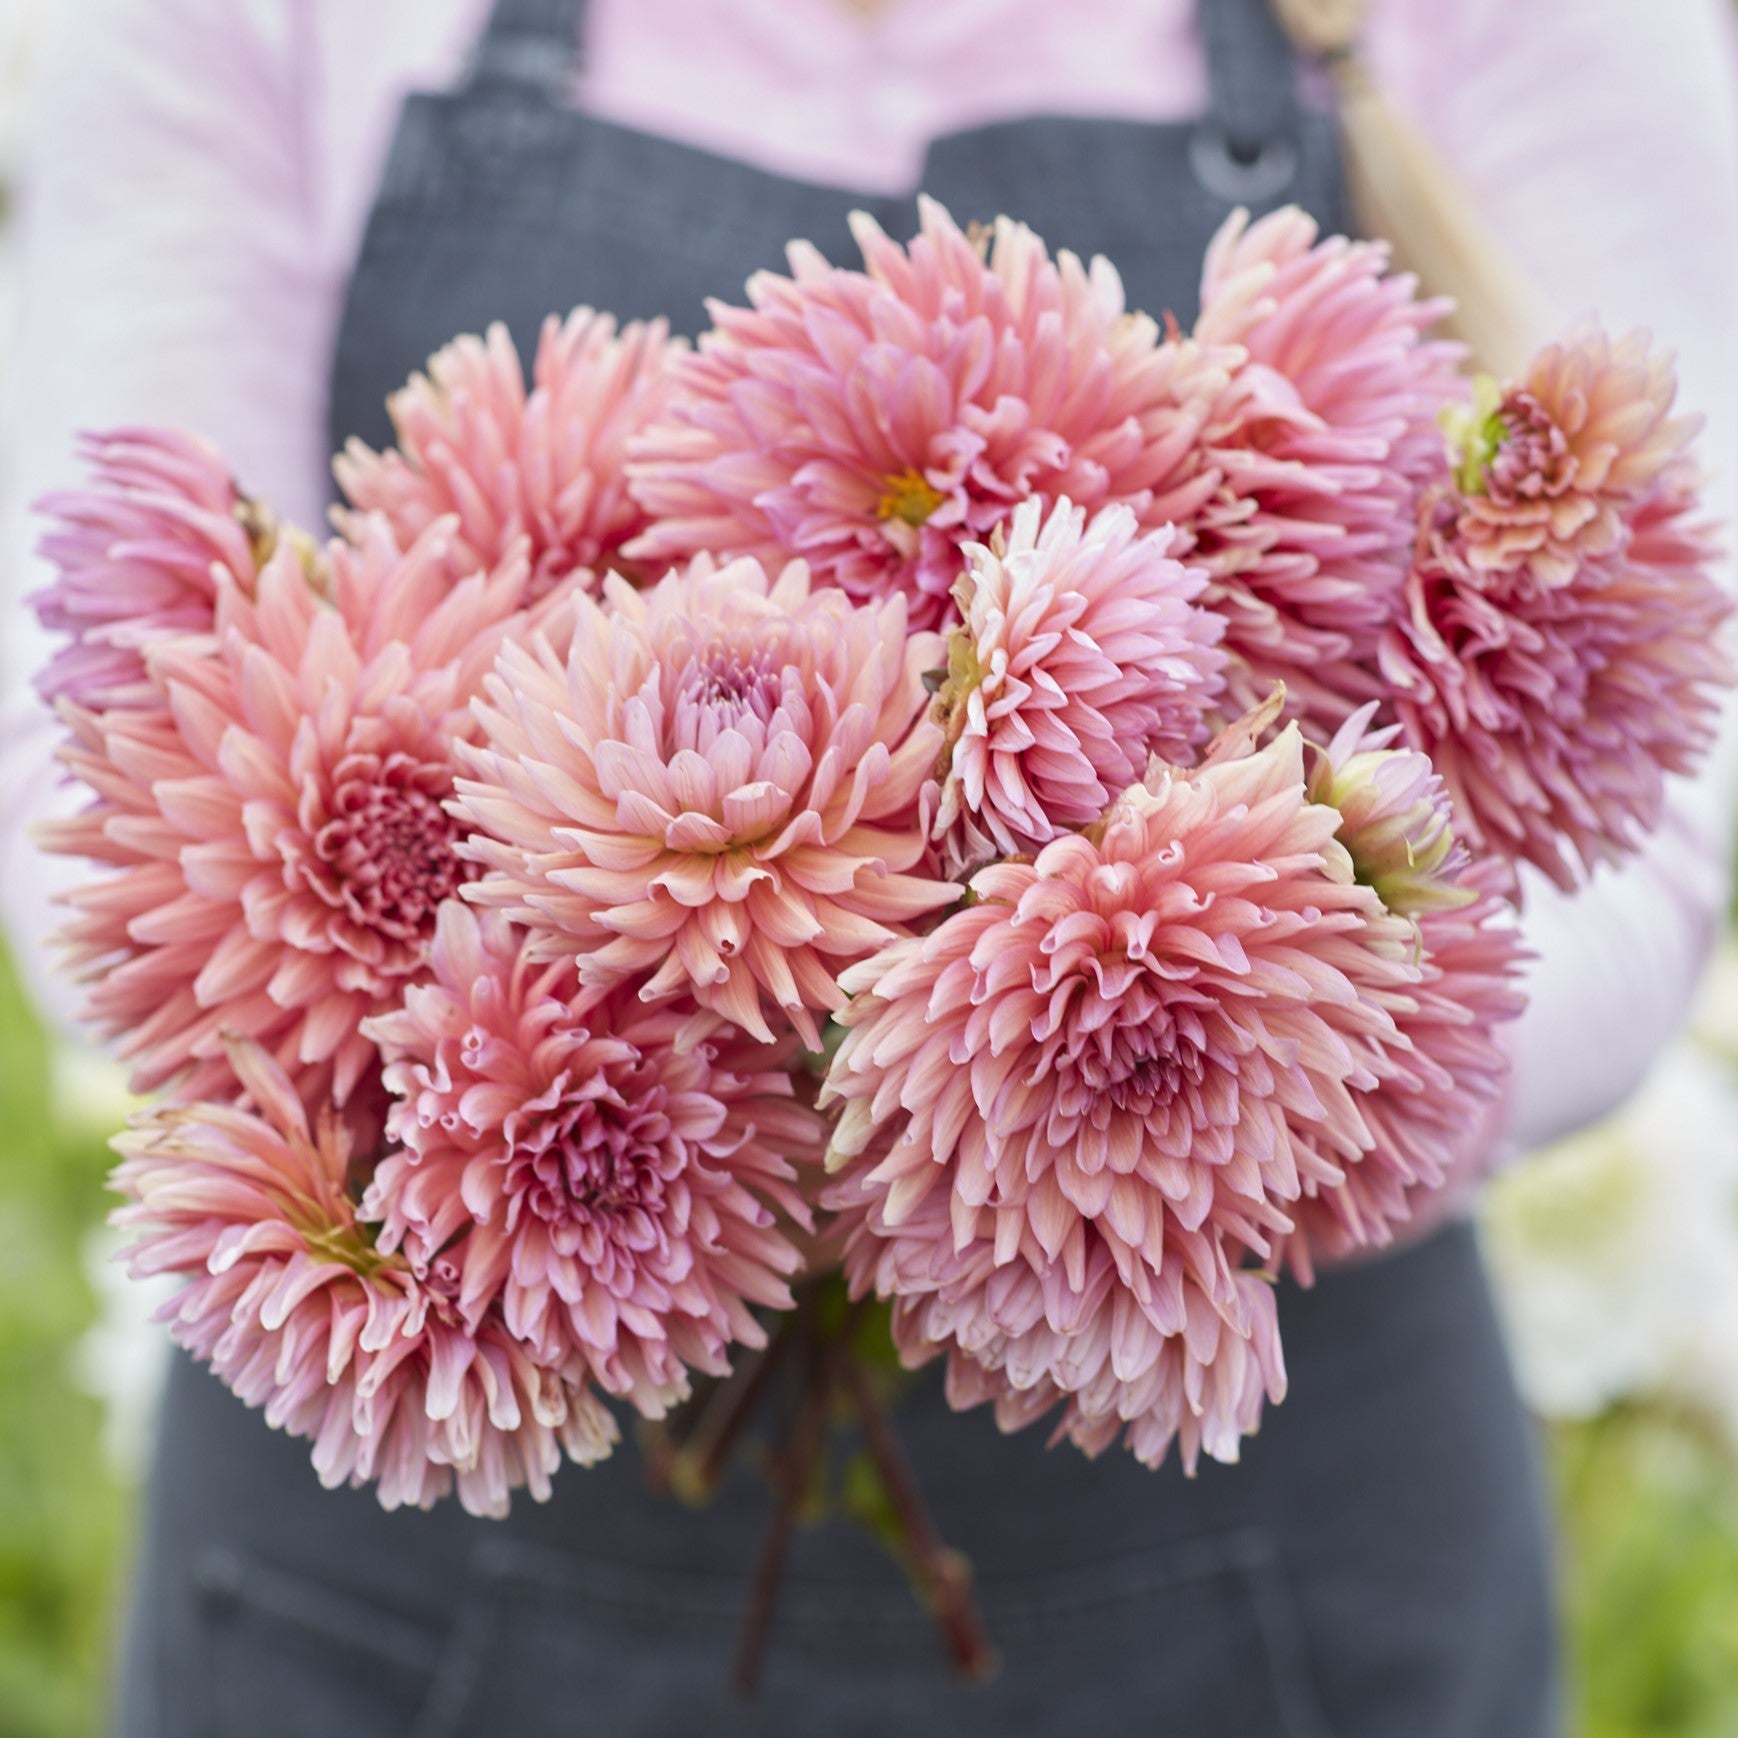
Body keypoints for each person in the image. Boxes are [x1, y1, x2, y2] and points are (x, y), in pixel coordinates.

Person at [2, 1, 1736, 1732]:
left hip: (1256, 1548)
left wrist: (1184, 1098)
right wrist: (867, 1090)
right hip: (418, 1556)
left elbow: (1655, 803)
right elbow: (76, 770)